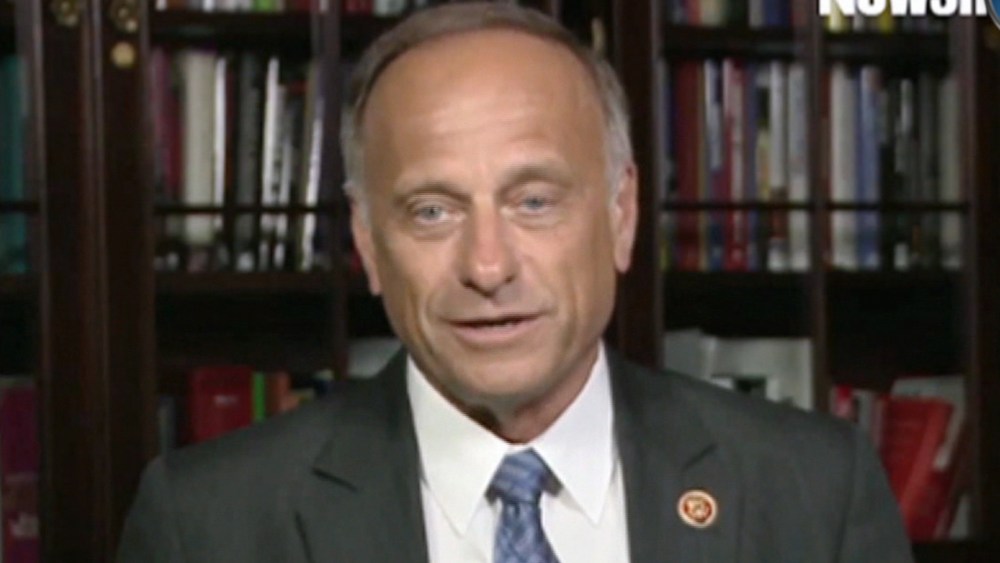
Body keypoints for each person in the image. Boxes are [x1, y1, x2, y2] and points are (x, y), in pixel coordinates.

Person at [117, 3, 914, 561]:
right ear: (367, 241)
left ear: (621, 214)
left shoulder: (815, 491)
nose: (488, 266)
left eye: (534, 201)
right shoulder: (207, 524)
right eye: (432, 211)